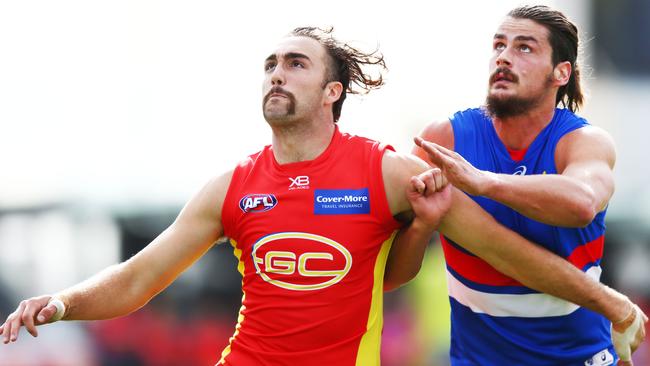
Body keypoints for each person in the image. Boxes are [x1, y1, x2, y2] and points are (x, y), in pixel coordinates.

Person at [0, 26, 644, 366]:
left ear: (333, 92)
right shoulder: (232, 185)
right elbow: (138, 280)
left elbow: (499, 248)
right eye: (271, 64)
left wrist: (607, 299)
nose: (277, 73)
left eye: (297, 63)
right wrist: (60, 301)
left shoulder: (385, 171)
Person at [412, 5, 647, 366]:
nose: (504, 57)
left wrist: (485, 183)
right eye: (499, 45)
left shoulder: (582, 141)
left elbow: (582, 203)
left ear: (561, 72)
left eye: (524, 48)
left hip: (580, 357)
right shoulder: (445, 138)